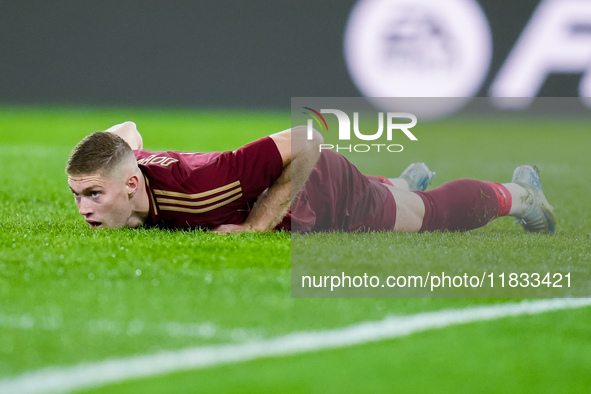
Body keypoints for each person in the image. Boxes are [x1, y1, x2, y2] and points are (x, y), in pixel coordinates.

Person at [65, 121, 556, 234]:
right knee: (394, 197)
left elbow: (306, 139)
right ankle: (401, 182)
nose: (83, 208)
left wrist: (257, 227)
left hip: (321, 183)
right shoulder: (134, 172)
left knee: (425, 217)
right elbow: (125, 132)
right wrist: (104, 161)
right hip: (304, 183)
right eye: (78, 196)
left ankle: (520, 195)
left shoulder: (206, 180)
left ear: (131, 185)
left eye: (92, 194)